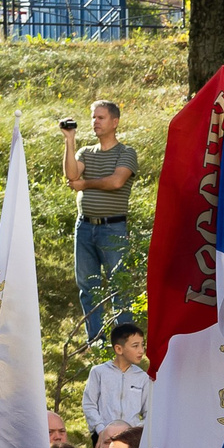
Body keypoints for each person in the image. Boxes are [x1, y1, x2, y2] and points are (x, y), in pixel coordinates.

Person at [63, 100, 140, 347]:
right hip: (84, 227)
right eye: (93, 117)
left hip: (113, 229)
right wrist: (69, 139)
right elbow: (72, 174)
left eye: (101, 118)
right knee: (88, 286)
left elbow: (116, 182)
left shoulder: (126, 153)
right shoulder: (85, 152)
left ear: (114, 122)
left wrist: (85, 184)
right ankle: (96, 341)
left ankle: (125, 342)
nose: (95, 121)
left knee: (120, 287)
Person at [83, 321, 152, 436]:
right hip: (103, 435)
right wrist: (101, 430)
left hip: (133, 438)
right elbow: (89, 405)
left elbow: (149, 412)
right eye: (135, 346)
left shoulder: (142, 377)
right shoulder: (99, 372)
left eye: (142, 345)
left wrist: (135, 431)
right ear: (119, 349)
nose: (141, 350)